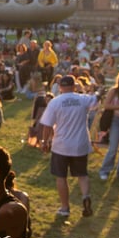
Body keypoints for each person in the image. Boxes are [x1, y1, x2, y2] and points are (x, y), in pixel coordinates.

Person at [39, 74, 99, 218]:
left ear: (60, 87)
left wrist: (44, 141)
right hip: (80, 144)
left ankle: (65, 208)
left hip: (61, 145)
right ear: (74, 86)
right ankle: (85, 196)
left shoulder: (55, 102)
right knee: (82, 174)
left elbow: (47, 125)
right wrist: (98, 92)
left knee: (61, 177)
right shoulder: (83, 99)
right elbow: (95, 101)